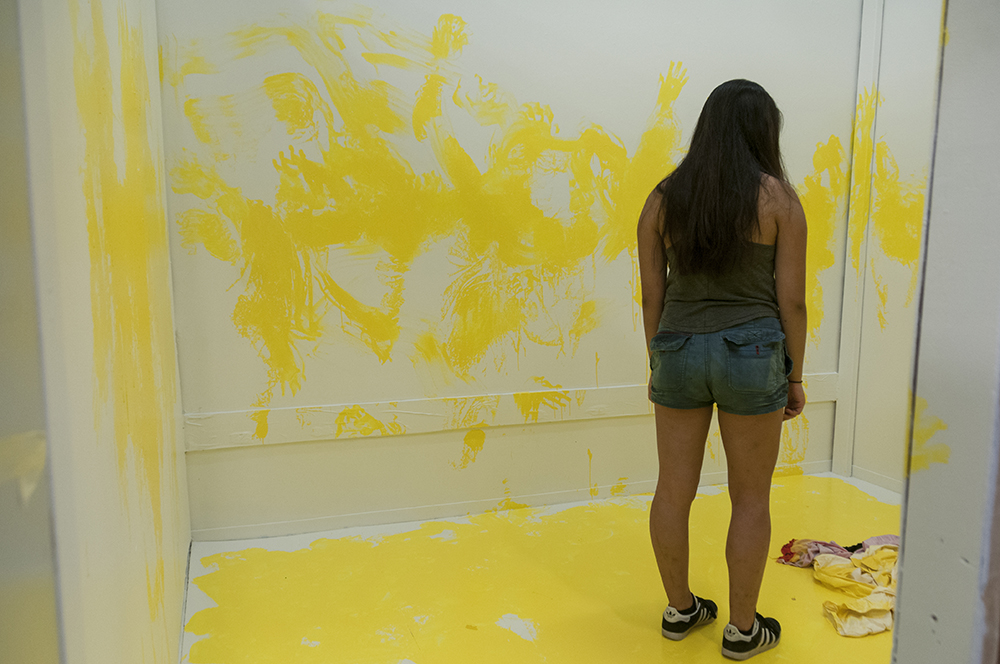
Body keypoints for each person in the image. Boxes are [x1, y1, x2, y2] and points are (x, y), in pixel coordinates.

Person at [636, 79, 807, 660]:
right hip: (754, 356)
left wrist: (659, 356)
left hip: (679, 349)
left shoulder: (663, 198)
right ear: (764, 130)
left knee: (672, 489)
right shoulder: (779, 200)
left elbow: (651, 298)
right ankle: (741, 630)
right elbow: (793, 304)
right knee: (751, 499)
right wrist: (797, 374)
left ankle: (681, 610)